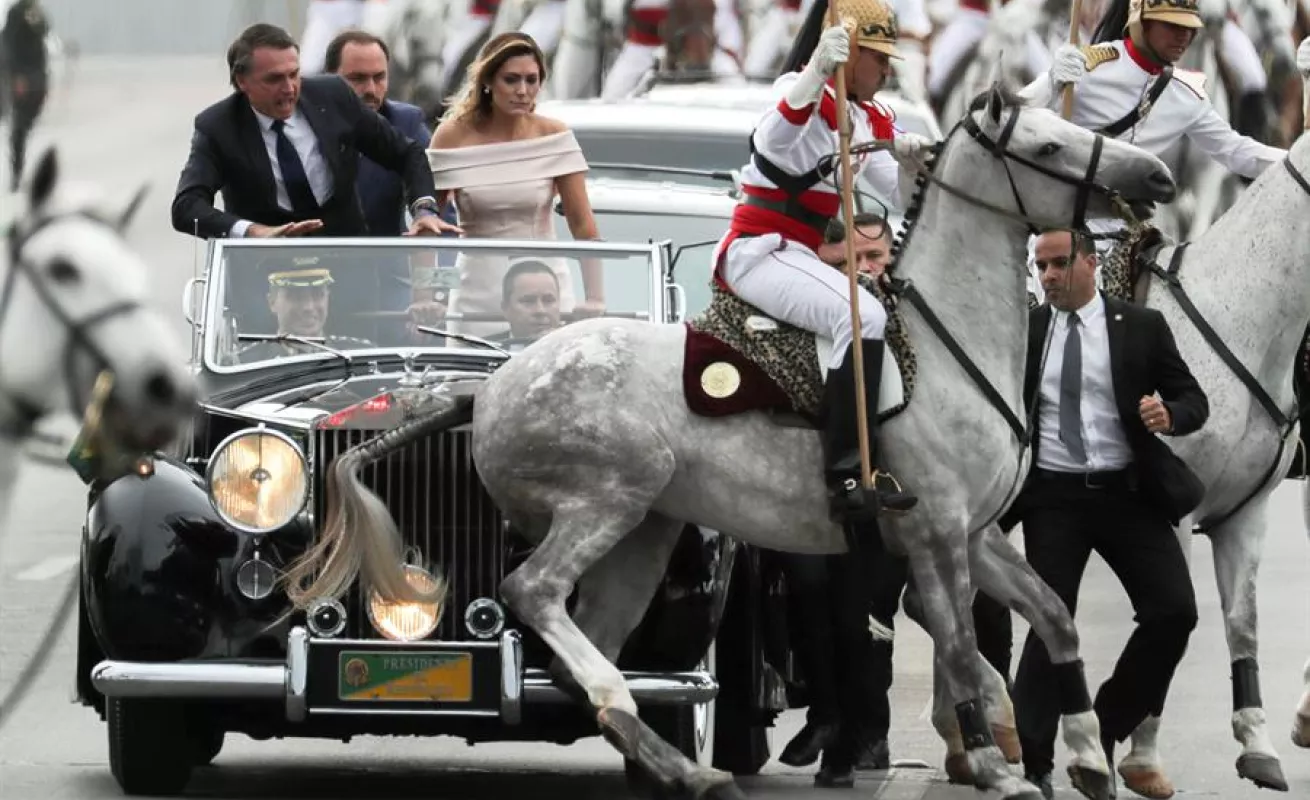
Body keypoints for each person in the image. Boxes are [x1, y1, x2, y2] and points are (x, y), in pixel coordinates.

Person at [1000, 228, 1208, 800]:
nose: (1047, 277)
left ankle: (1108, 726)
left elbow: (1193, 398)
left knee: (1175, 612)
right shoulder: (1029, 331)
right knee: (1050, 621)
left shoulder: (1140, 326)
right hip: (1053, 496)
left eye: (1059, 263)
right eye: (1039, 266)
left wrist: (1170, 413)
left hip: (1127, 491)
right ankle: (1037, 763)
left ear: (1091, 263)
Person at [712, 0, 935, 522]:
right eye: (877, 59)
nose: (886, 71)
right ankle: (847, 471)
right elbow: (771, 141)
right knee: (860, 314)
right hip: (761, 249)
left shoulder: (863, 116)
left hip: (800, 253)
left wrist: (914, 159)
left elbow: (900, 196)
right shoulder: (800, 93)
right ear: (849, 54)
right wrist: (814, 74)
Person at [1018, 0, 1286, 257]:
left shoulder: (1186, 95)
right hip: (1063, 227)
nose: (1184, 36)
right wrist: (1052, 82)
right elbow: (1018, 116)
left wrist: (1301, 157)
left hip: (1128, 238)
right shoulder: (1089, 68)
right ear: (1140, 22)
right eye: (1172, 26)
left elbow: (1237, 152)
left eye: (1190, 27)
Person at [171, 23, 456, 242]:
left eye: (294, 74)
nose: (289, 88)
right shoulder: (218, 127)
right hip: (265, 274)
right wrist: (253, 232)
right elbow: (187, 207)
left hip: (349, 263)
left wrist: (423, 210)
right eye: (274, 79)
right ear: (241, 81)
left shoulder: (333, 96)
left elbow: (407, 153)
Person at [426, 32, 605, 337]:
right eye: (511, 80)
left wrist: (595, 298)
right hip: (476, 294)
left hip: (545, 293)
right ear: (487, 82)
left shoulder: (554, 135)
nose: (523, 91)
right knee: (466, 380)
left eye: (531, 80)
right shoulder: (451, 136)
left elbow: (582, 224)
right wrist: (431, 297)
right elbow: (428, 226)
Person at [236, 259, 374, 363]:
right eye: (296, 296)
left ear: (328, 299)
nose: (308, 307)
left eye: (317, 295)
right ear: (272, 302)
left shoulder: (361, 354)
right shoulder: (246, 362)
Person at [1, 0, 49, 192]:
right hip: (21, 75)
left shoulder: (36, 11)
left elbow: (44, 30)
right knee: (20, 127)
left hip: (38, 74)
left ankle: (18, 163)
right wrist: (15, 76)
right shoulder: (16, 12)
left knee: (29, 120)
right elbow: (7, 44)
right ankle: (17, 173)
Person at [489, 258, 563, 350]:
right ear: (506, 308)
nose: (540, 310)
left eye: (548, 300)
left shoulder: (578, 349)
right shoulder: (482, 351)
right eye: (528, 301)